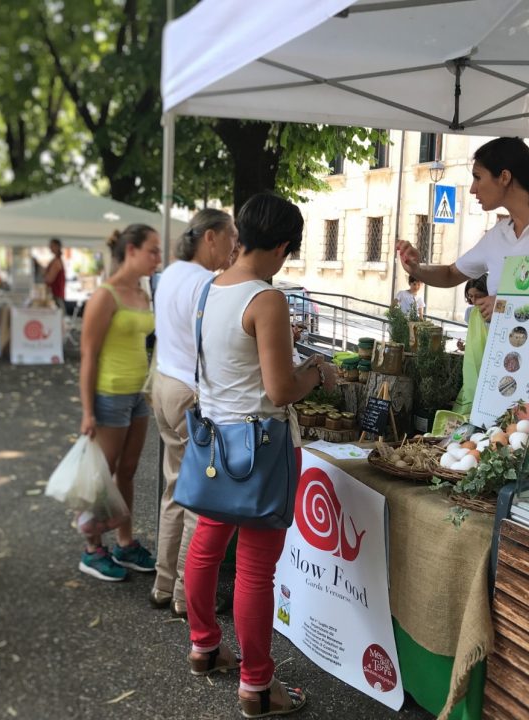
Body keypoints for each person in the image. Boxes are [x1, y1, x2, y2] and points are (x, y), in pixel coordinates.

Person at [183, 193, 335, 718]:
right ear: (283, 246)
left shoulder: (212, 288)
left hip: (215, 444)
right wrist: (317, 372)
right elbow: (279, 390)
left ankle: (204, 646)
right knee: (254, 570)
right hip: (262, 448)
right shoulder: (266, 298)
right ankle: (256, 686)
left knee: (206, 546)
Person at [397, 137, 529, 322]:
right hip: (503, 358)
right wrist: (417, 269)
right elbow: (451, 274)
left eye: (478, 177)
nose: (472, 188)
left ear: (504, 177)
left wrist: (506, 306)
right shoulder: (499, 234)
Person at [150, 209, 238, 618]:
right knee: (197, 500)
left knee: (172, 489)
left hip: (164, 384)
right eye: (231, 237)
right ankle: (187, 596)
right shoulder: (208, 283)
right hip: (191, 392)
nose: (235, 246)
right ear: (210, 237)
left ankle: (163, 583)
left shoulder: (169, 273)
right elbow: (217, 344)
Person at [77, 224, 161, 581]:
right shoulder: (105, 295)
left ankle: (124, 543)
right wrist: (87, 411)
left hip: (137, 394)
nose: (158, 258)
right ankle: (92, 549)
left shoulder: (143, 291)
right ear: (131, 251)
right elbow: (88, 355)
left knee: (127, 471)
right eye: (153, 251)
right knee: (101, 477)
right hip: (109, 395)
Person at [452, 275, 489, 416]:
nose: (474, 301)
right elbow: (476, 337)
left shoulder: (494, 312)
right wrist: (465, 347)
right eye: (470, 296)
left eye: (478, 296)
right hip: (472, 362)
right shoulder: (471, 312)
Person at [44, 237, 65, 309]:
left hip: (56, 294)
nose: (50, 248)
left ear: (57, 247)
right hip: (56, 294)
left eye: (52, 246)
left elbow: (49, 278)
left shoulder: (57, 261)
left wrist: (44, 276)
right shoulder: (55, 260)